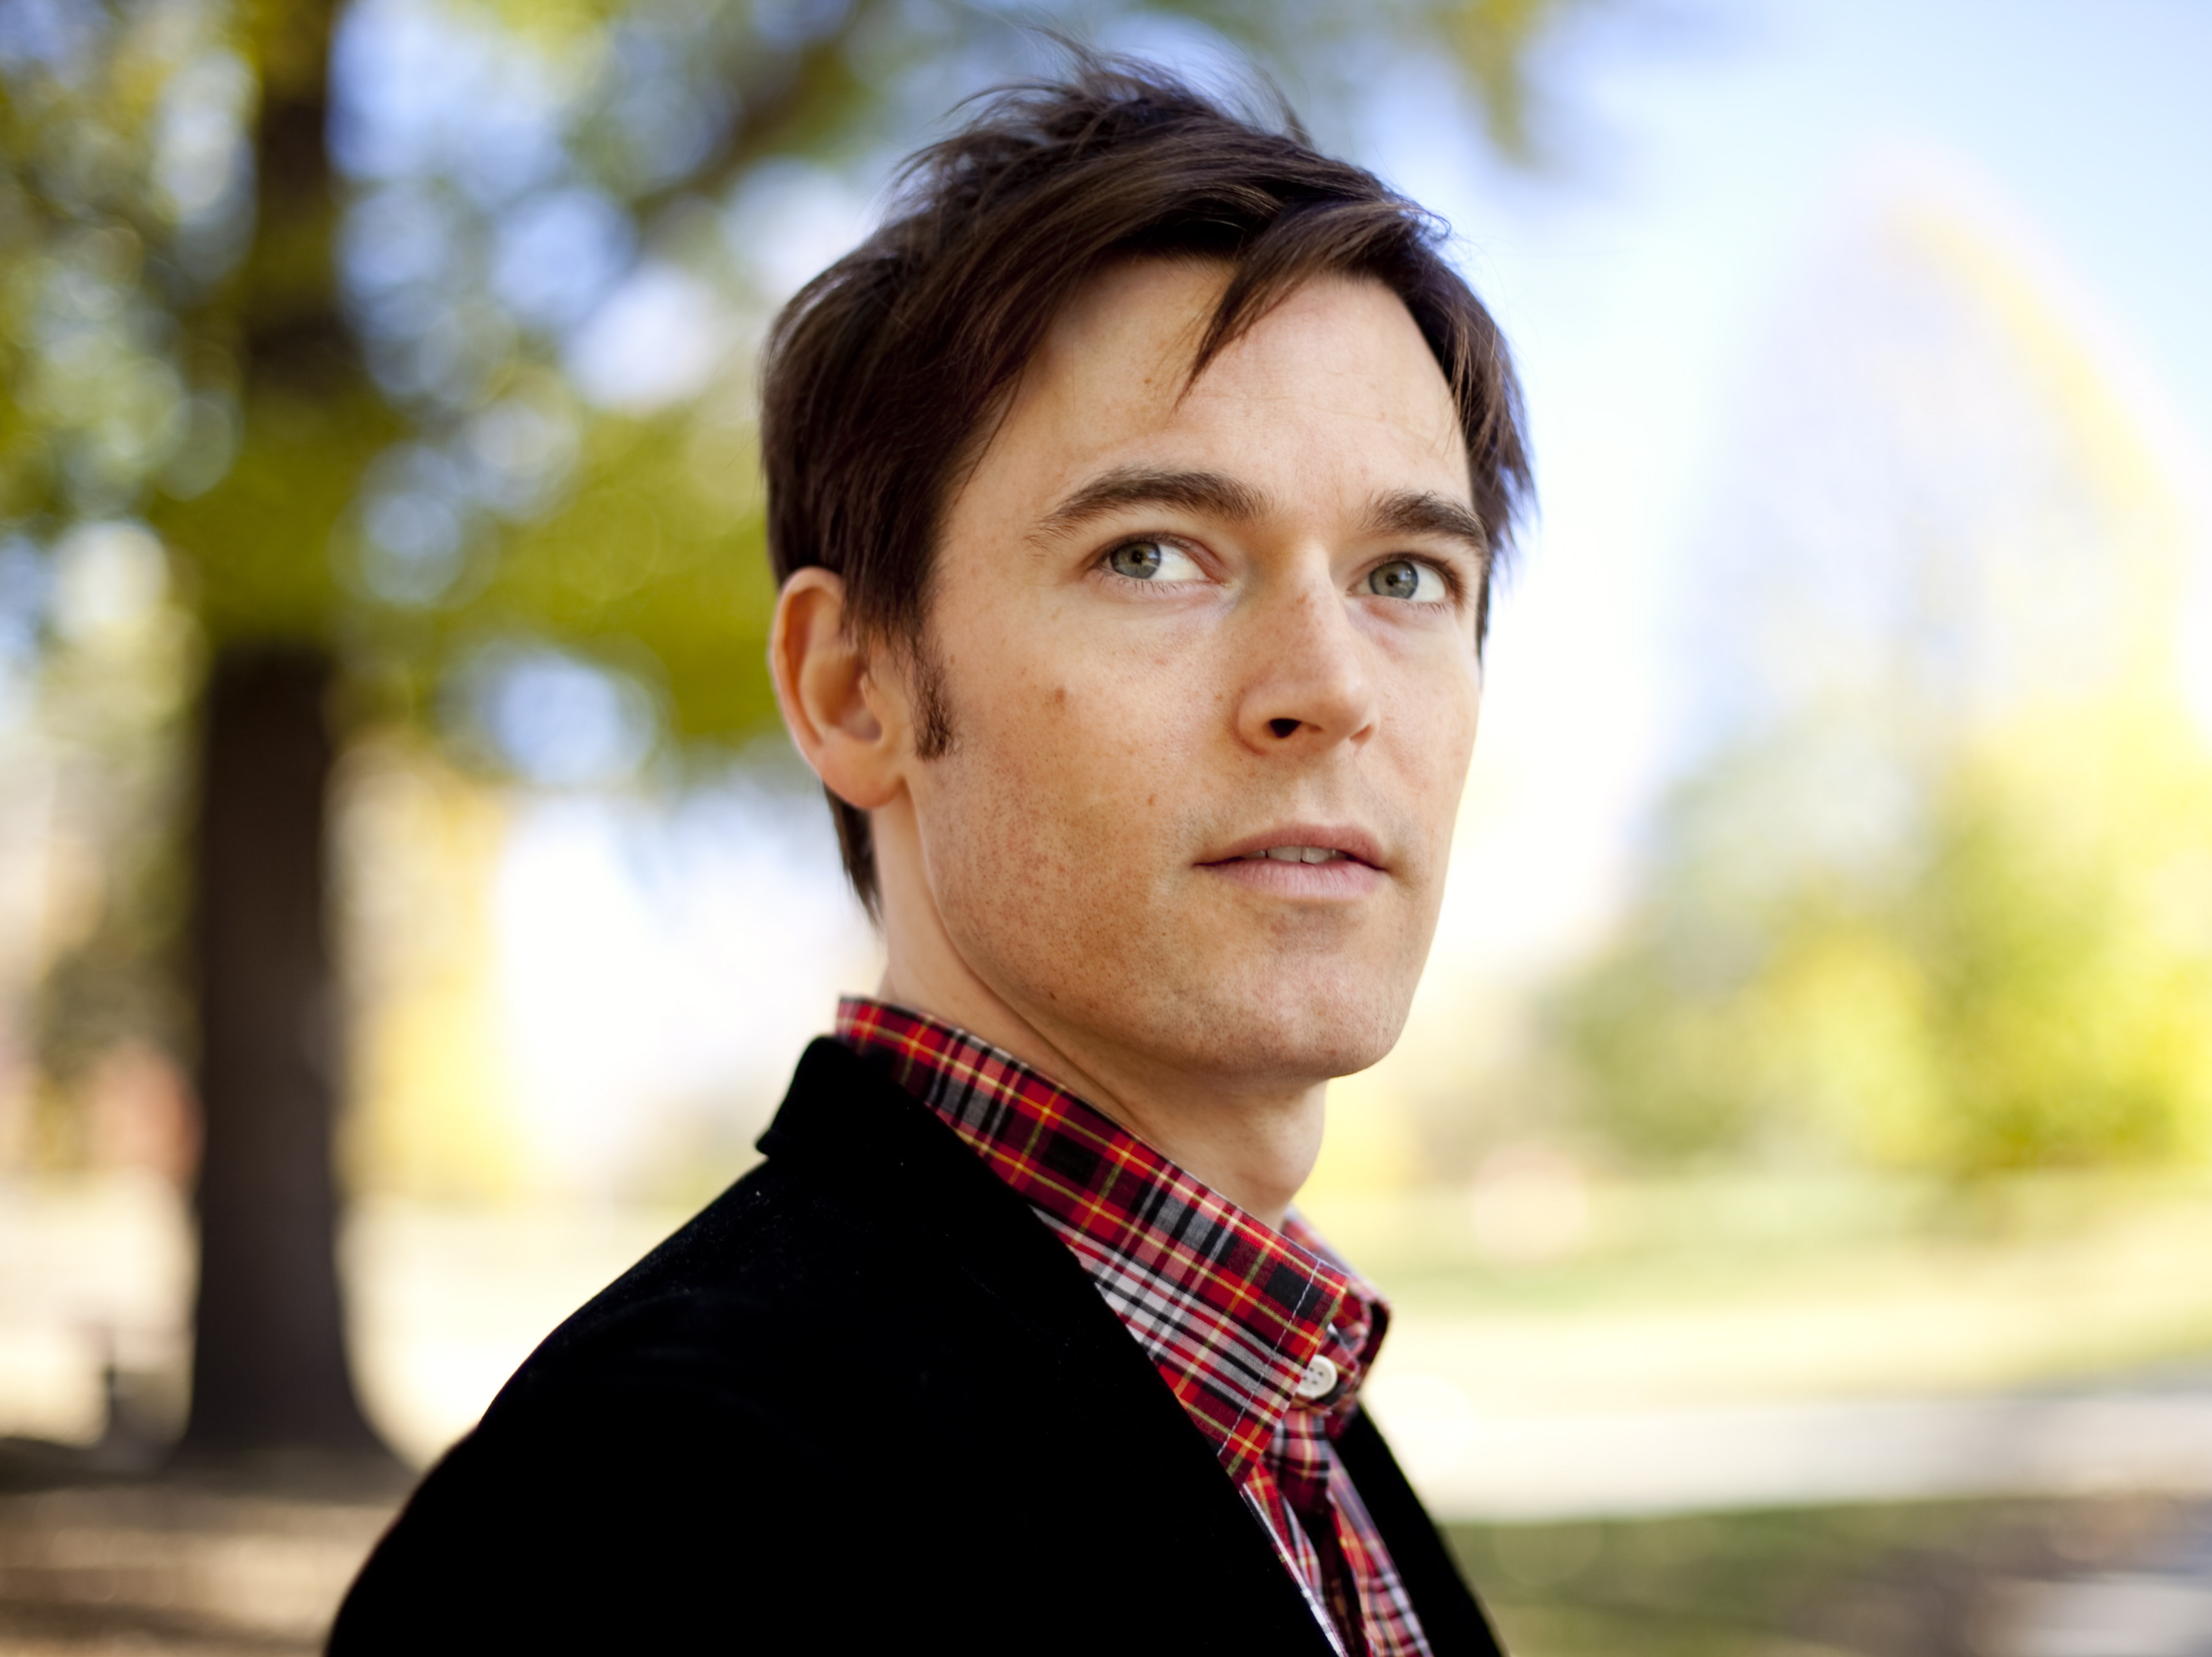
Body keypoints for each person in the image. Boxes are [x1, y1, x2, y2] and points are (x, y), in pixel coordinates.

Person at [330, 52, 1529, 1656]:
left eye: (1404, 577)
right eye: (1153, 555)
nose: (1328, 687)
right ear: (853, 689)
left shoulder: (1276, 1412)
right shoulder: (656, 1515)